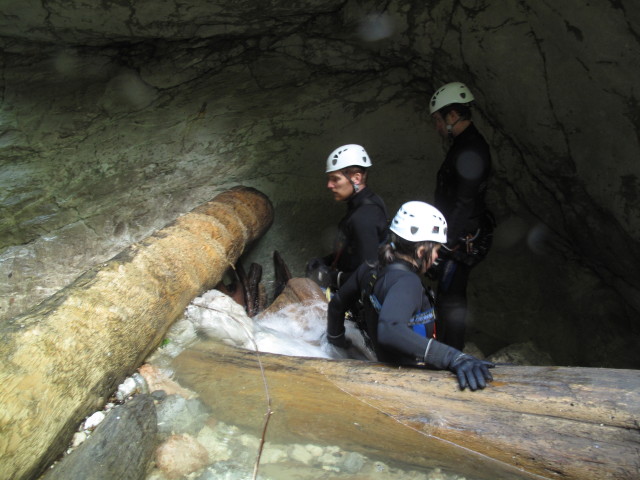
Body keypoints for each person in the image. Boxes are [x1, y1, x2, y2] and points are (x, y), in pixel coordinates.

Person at [326, 201, 494, 391]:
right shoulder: (406, 283)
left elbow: (337, 304)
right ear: (421, 251)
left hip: (383, 365)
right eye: (437, 250)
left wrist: (337, 341)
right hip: (409, 381)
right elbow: (391, 330)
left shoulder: (371, 266)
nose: (437, 257)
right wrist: (452, 357)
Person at [428, 82, 495, 351]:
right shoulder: (465, 145)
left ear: (452, 116)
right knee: (448, 295)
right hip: (457, 232)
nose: (436, 127)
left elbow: (464, 202)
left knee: (452, 297)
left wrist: (444, 245)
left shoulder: (471, 149)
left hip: (460, 236)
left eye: (437, 120)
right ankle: (447, 350)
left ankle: (451, 354)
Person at [306, 144, 388, 291]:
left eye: (335, 179)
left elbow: (369, 277)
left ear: (356, 178)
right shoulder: (368, 202)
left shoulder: (364, 217)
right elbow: (354, 251)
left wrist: (330, 277)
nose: (329, 185)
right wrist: (325, 261)